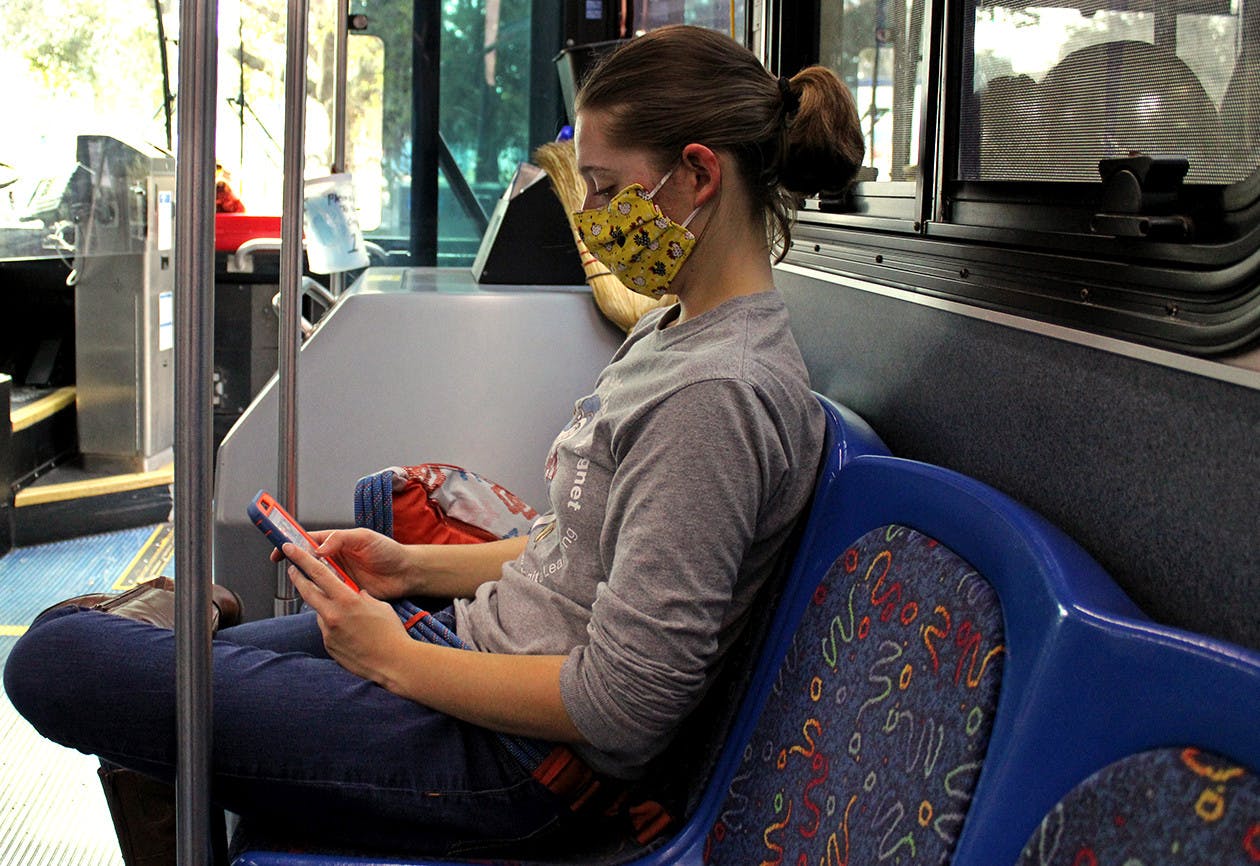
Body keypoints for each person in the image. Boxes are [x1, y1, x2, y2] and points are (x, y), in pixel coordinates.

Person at [3, 24, 864, 861]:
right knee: (142, 694)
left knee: (60, 660)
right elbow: (576, 552)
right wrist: (408, 569)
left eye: (604, 189)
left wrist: (396, 661)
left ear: (698, 175)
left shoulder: (715, 396)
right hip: (473, 656)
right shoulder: (675, 331)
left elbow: (624, 704)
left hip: (513, 765)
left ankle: (177, 611)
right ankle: (183, 618)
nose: (593, 217)